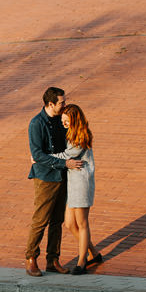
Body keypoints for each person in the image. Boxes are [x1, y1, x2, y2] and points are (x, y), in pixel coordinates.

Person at [25, 87, 84, 276]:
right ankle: (31, 258)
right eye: (62, 102)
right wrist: (64, 162)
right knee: (40, 220)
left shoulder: (61, 119)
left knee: (57, 221)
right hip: (45, 178)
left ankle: (53, 260)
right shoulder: (37, 123)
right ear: (51, 104)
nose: (64, 105)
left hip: (62, 176)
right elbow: (37, 155)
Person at [50, 104, 101, 274]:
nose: (63, 122)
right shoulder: (71, 133)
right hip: (73, 182)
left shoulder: (80, 136)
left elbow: (66, 156)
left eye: (66, 120)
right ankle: (93, 252)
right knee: (70, 223)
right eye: (63, 119)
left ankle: (82, 262)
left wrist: (42, 158)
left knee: (82, 223)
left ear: (75, 119)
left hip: (81, 183)